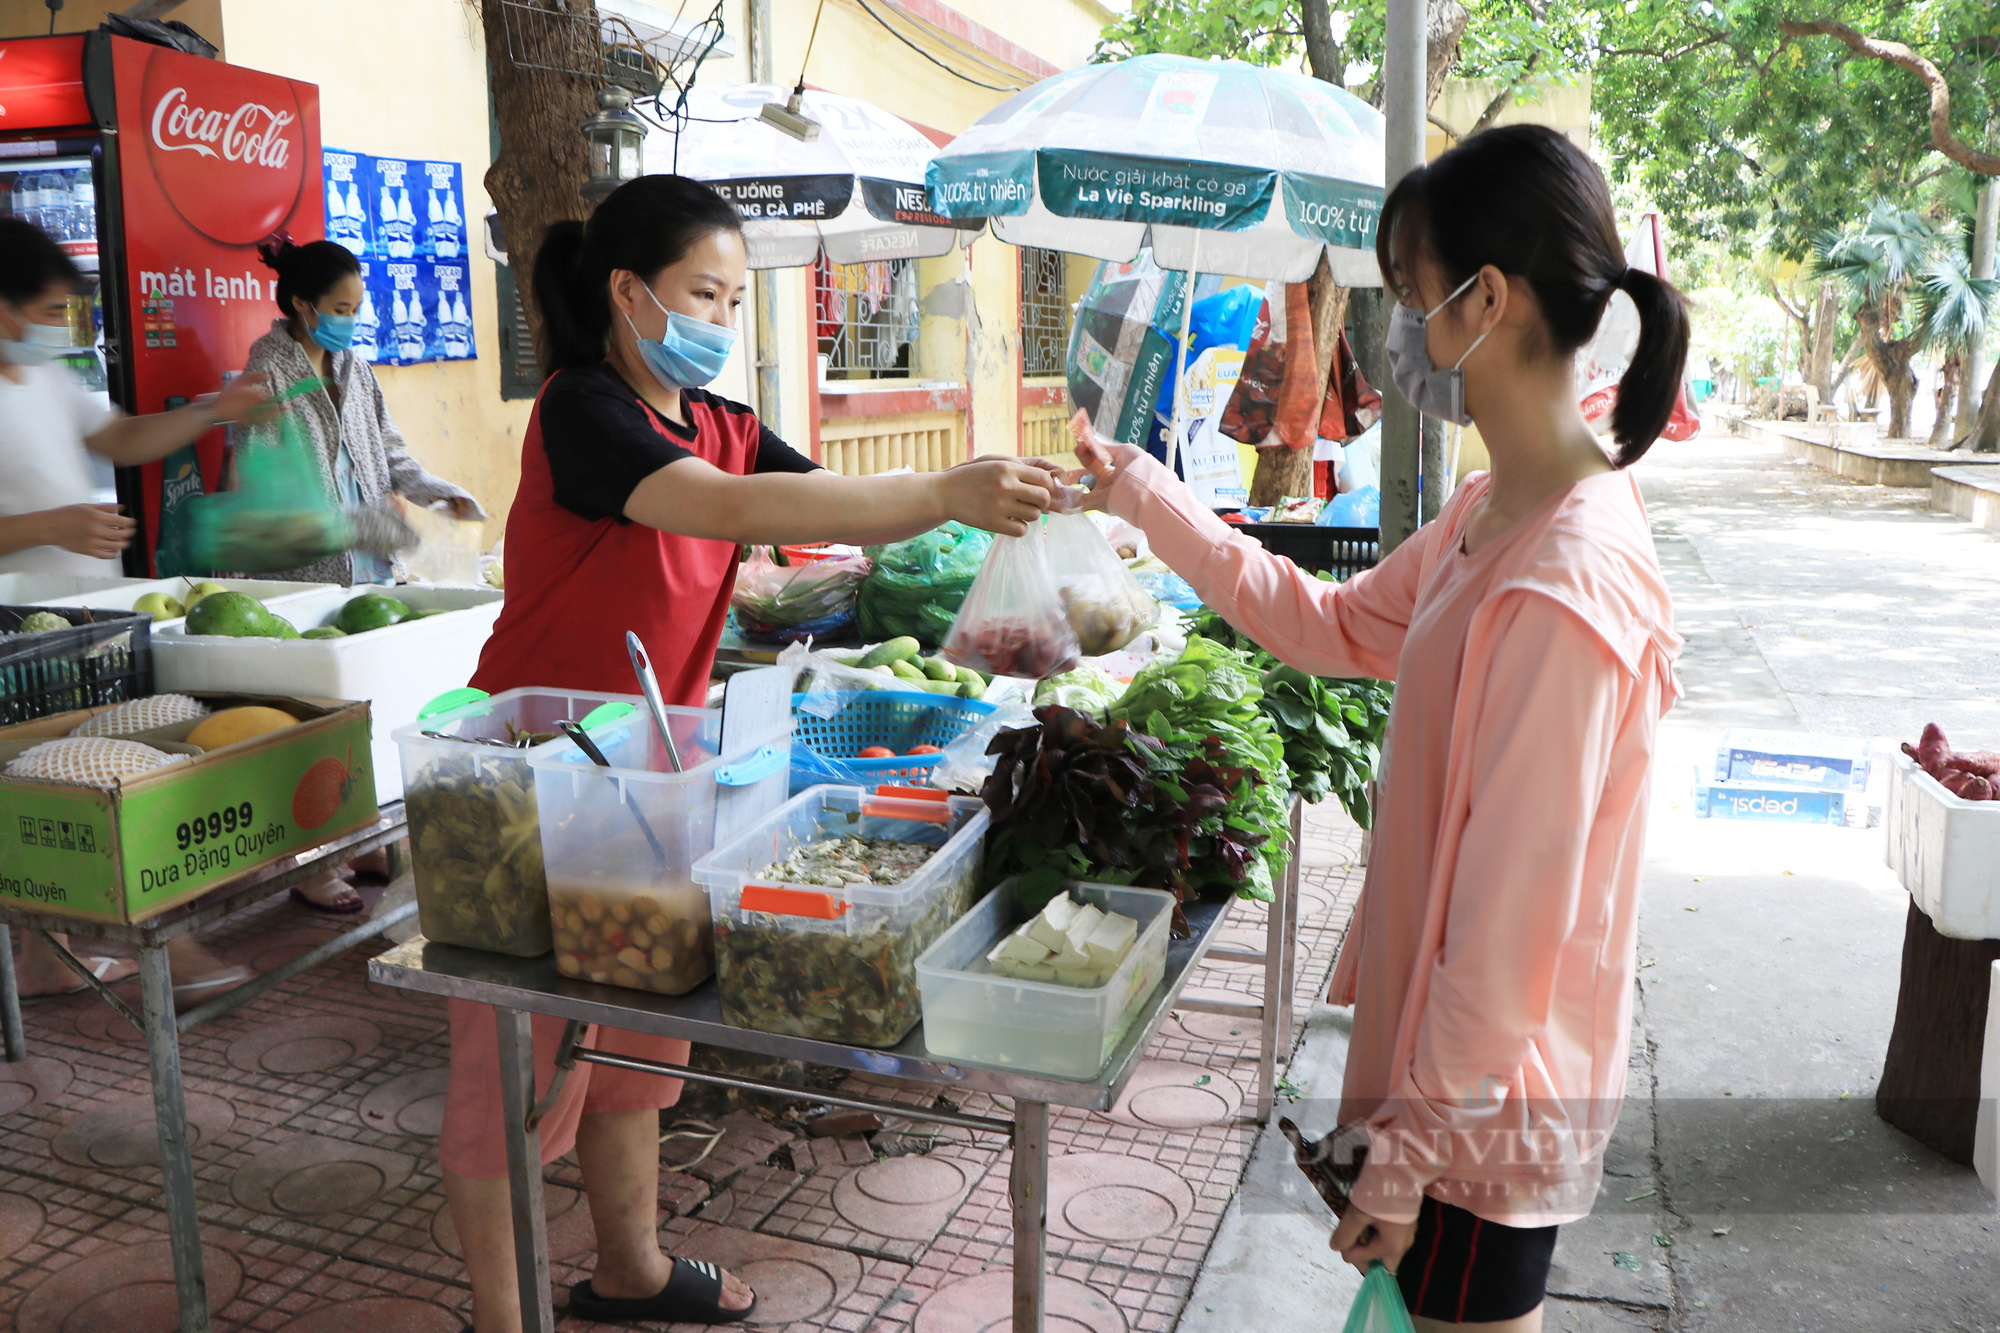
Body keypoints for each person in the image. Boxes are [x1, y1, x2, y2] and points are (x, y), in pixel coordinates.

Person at [1061, 125, 1688, 1331]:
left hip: (1476, 1119)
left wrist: (1401, 1160)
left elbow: (1508, 937)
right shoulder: (1486, 511)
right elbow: (1330, 625)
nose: (1396, 334)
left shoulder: (1564, 586)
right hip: (1434, 1094)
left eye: (1409, 298)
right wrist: (1142, 491)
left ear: (1486, 300)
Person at [449, 174, 1055, 1333]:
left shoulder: (717, 420)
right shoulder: (582, 412)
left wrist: (974, 490)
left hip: (657, 773)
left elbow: (809, 496)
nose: (720, 321)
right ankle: (500, 1316)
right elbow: (722, 512)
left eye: (734, 298)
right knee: (514, 1066)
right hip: (534, 774)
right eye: (702, 294)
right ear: (629, 294)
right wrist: (944, 489)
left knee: (636, 1029)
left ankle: (627, 1269)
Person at [0, 217, 267, 1004]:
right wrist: (46, 528)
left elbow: (118, 436)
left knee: (60, 786)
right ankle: (169, 946)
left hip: (82, 629)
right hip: (14, 642)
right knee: (92, 787)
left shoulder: (47, 382)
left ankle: (46, 959)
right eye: (48, 313)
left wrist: (214, 410)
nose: (59, 330)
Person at [239, 236, 485, 913]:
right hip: (303, 581)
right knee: (313, 723)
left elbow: (391, 453)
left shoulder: (354, 366)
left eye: (356, 307)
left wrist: (437, 491)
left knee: (368, 717)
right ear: (300, 304)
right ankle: (310, 862)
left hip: (370, 572)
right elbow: (272, 509)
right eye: (340, 307)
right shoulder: (266, 378)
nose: (351, 319)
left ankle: (354, 839)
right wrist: (359, 525)